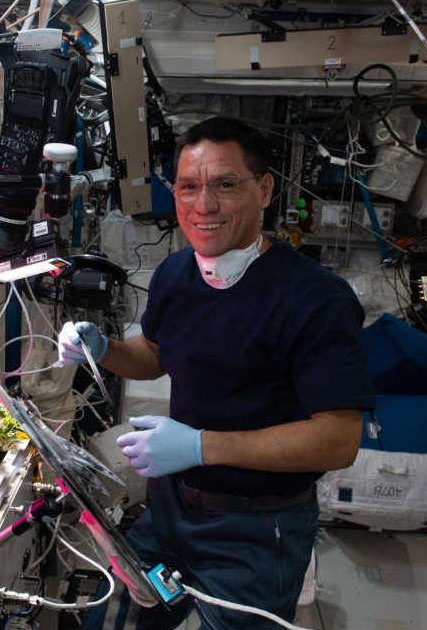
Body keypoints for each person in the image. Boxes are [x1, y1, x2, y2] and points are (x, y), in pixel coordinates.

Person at [58, 116, 375, 630]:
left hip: (258, 528)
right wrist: (103, 348)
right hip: (170, 510)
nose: (203, 206)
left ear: (265, 189)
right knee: (110, 617)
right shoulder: (176, 273)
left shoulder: (315, 298)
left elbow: (338, 439)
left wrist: (201, 447)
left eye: (226, 185)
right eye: (189, 187)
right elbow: (154, 355)